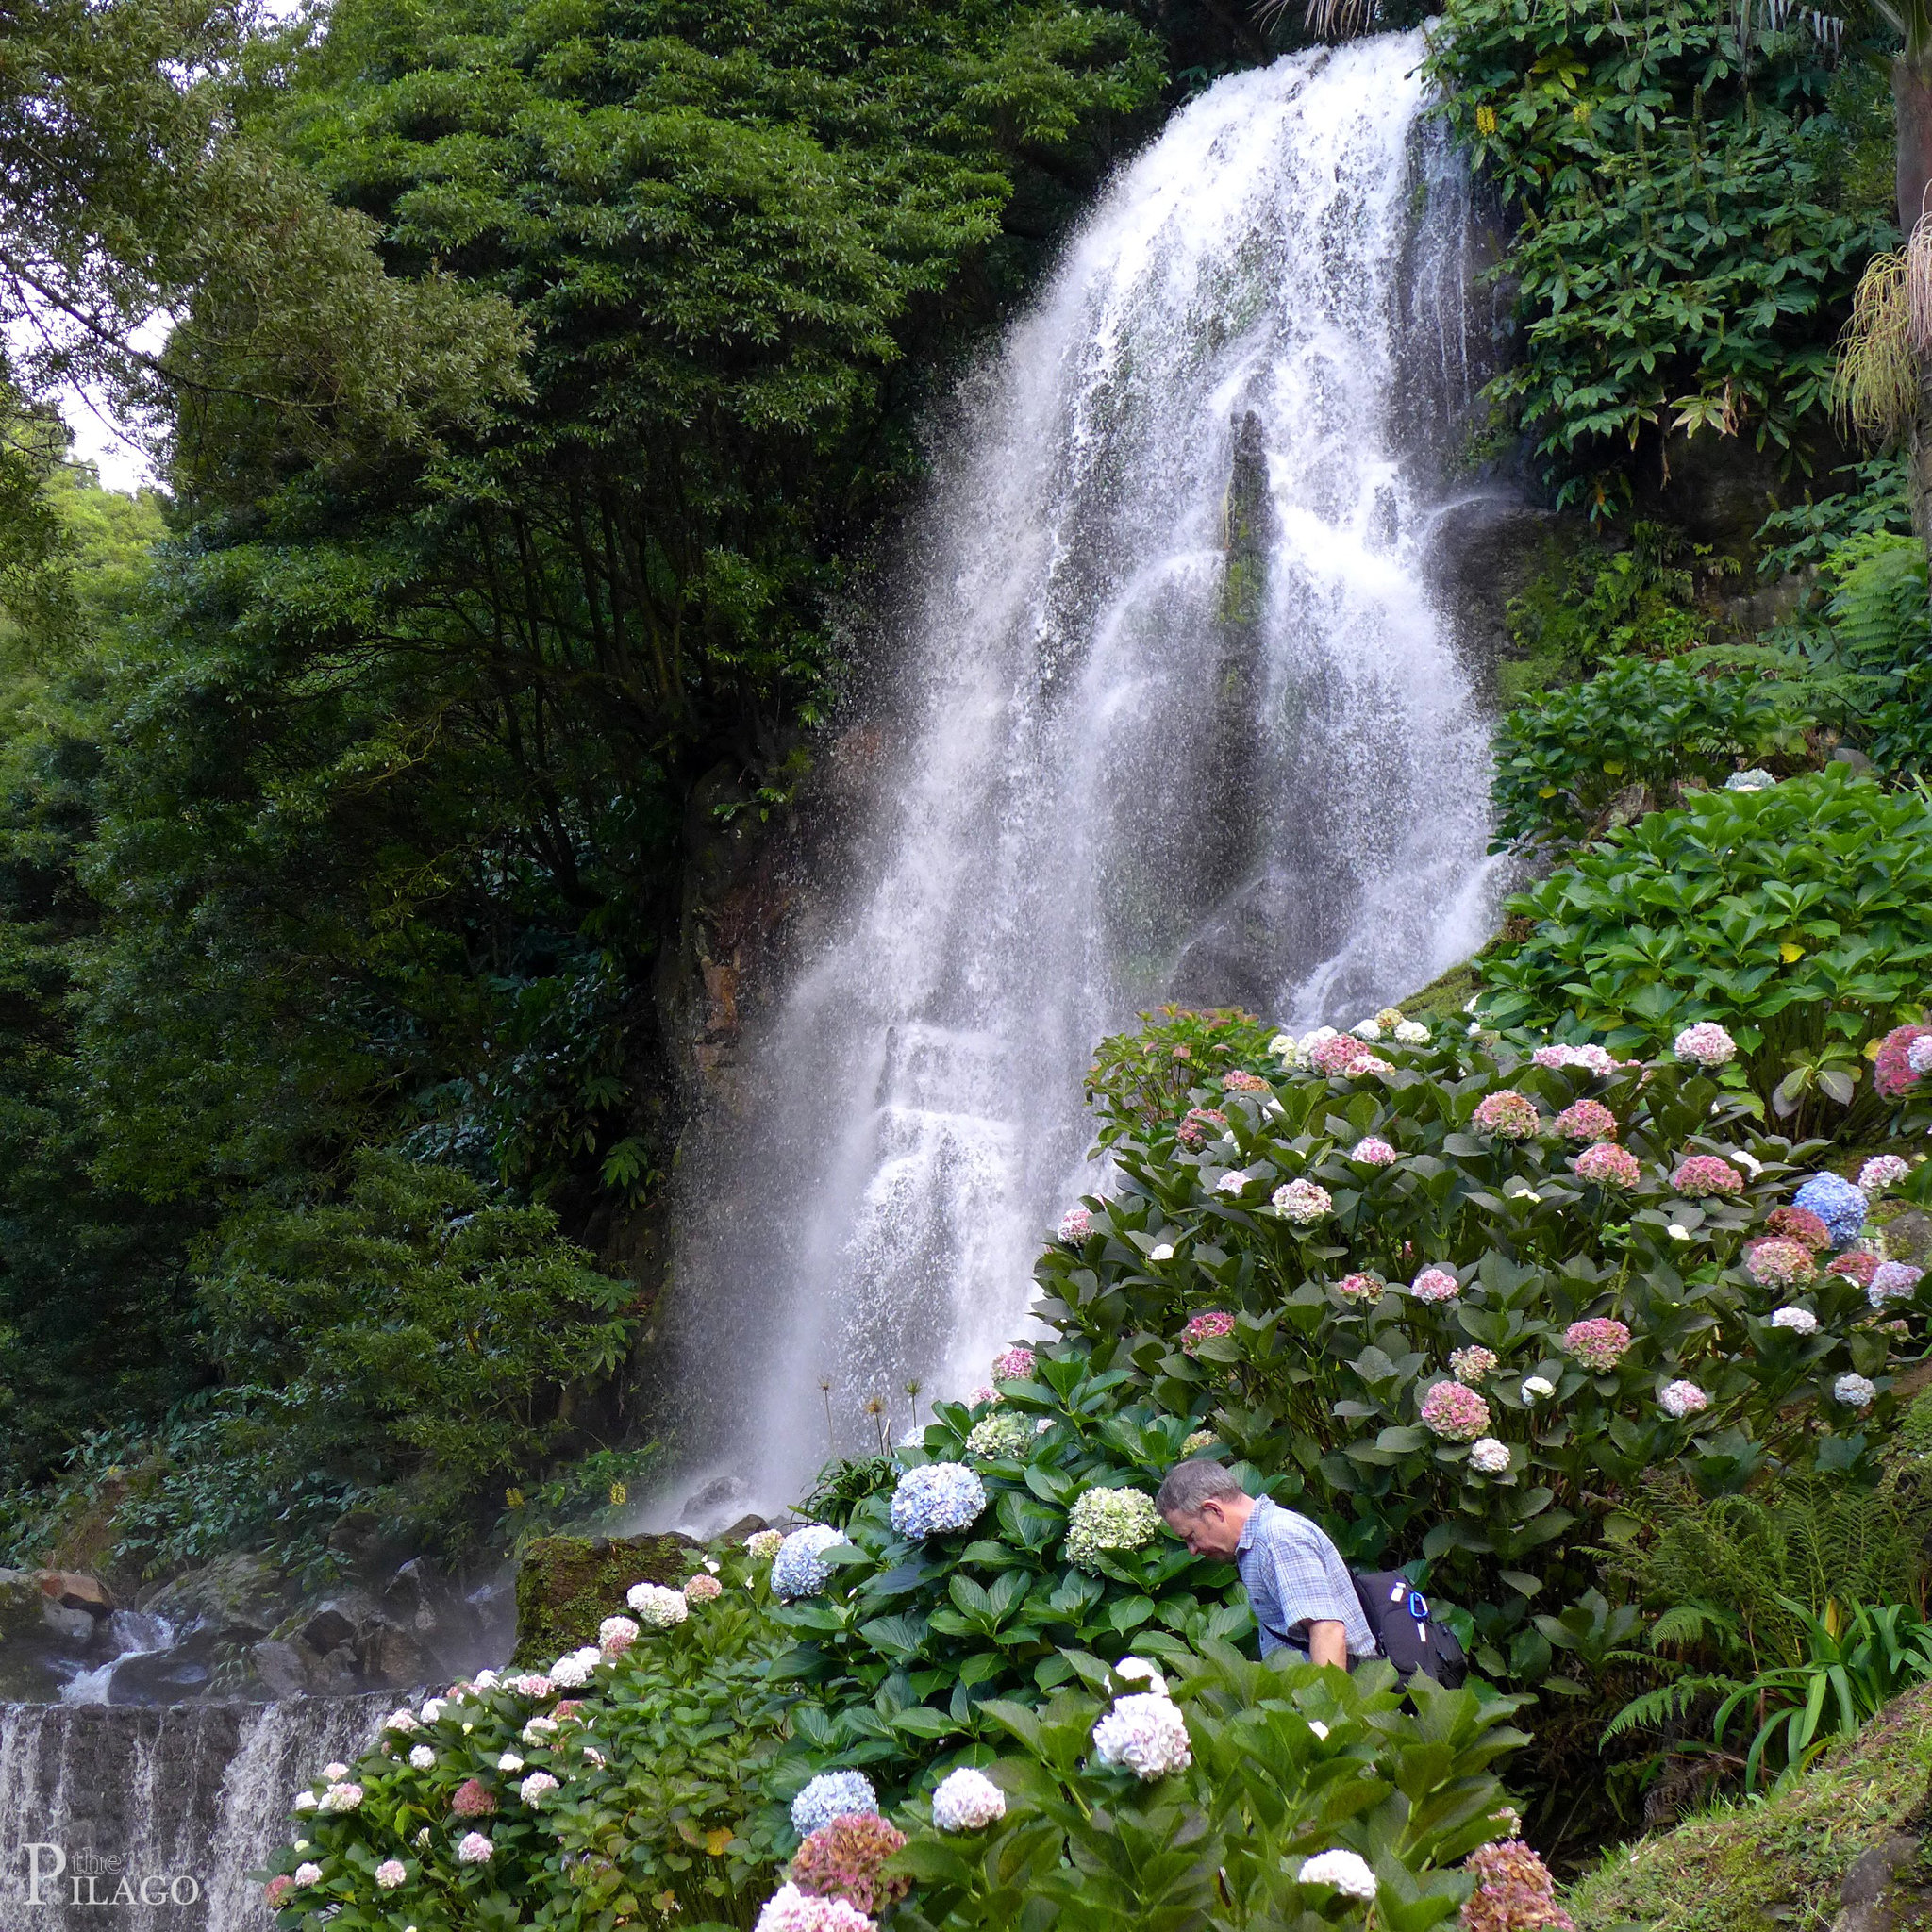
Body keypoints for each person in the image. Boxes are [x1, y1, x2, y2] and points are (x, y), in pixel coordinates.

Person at [1155, 1458, 1376, 1669]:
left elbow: (1328, 1631)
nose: (1192, 1551)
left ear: (1213, 1510)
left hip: (1346, 1693)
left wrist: (1325, 1707)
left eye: (1190, 1536)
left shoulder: (1278, 1537)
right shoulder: (1257, 1542)